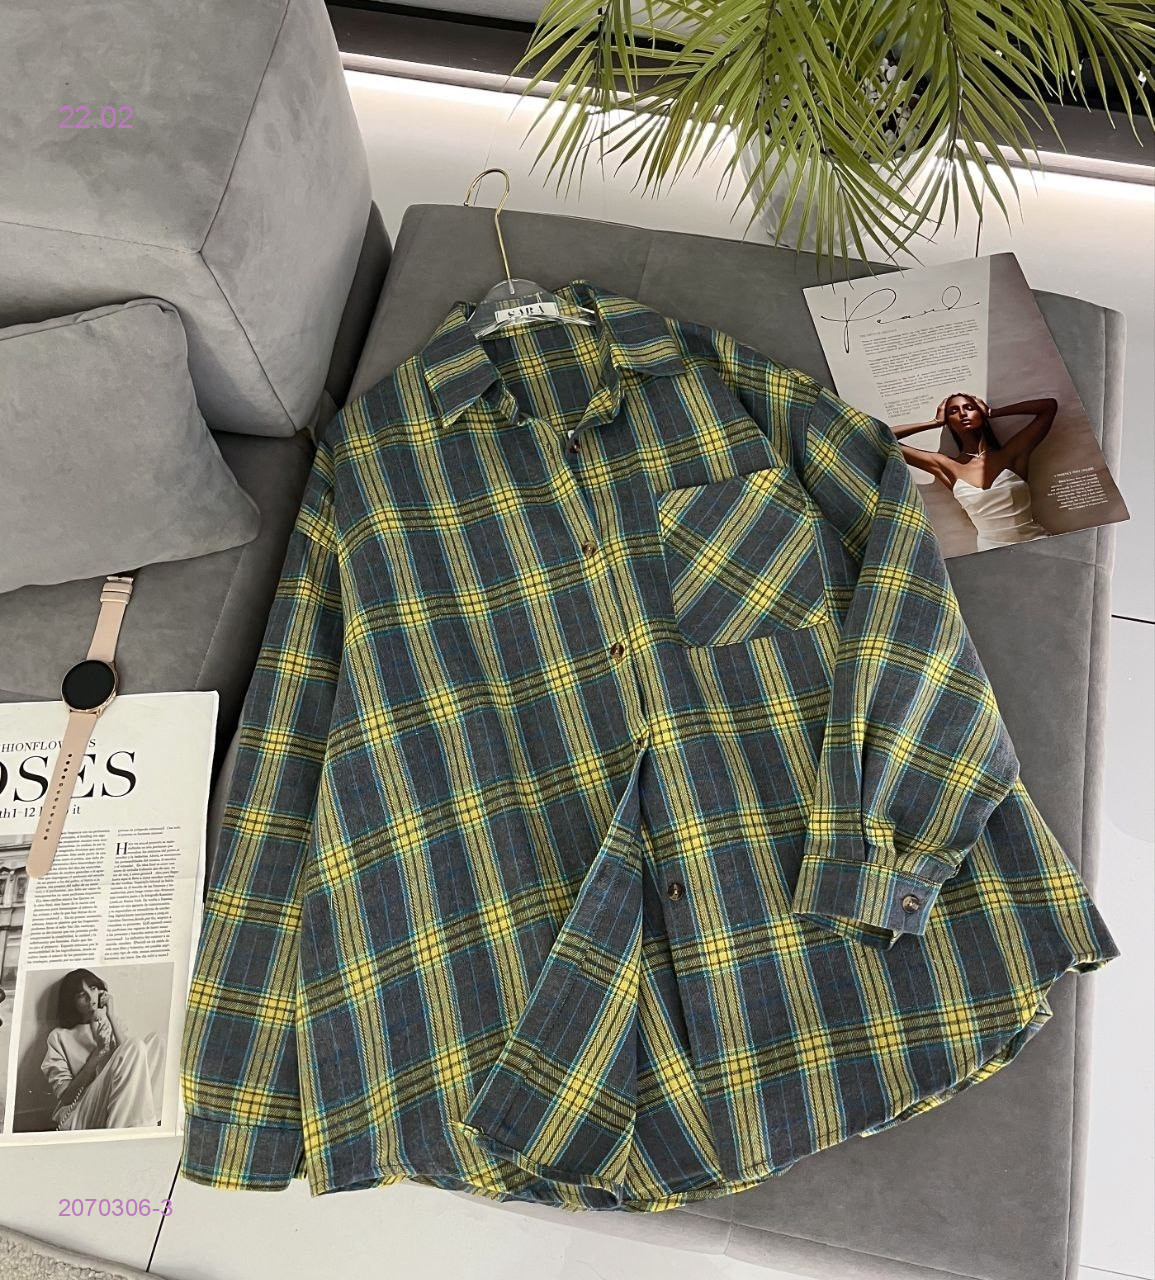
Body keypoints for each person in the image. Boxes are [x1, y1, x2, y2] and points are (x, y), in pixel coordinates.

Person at [891, 392, 1056, 551]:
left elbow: (1048, 406)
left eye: (969, 408)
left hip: (1038, 544)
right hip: (992, 554)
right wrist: (934, 422)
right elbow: (883, 437)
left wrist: (992, 412)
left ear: (981, 413)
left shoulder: (1011, 454)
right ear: (948, 422)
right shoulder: (947, 466)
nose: (963, 413)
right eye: (953, 411)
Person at [40, 969, 164, 1130]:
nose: (90, 997)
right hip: (82, 1112)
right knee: (134, 1045)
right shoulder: (58, 1036)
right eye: (81, 994)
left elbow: (132, 1056)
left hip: (116, 1103)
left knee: (157, 1040)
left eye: (92, 989)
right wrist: (98, 1053)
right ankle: (132, 1131)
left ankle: (150, 1122)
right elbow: (66, 1097)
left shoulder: (111, 1023)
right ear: (71, 1001)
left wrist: (111, 1015)